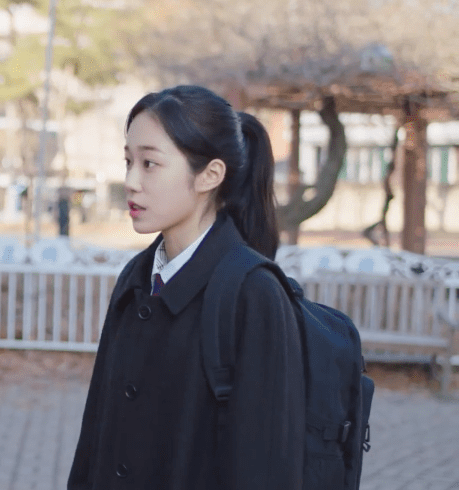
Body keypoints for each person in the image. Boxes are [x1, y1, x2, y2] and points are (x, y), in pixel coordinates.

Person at [68, 85, 305, 489]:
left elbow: (266, 466)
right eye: (128, 161)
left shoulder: (254, 293)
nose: (131, 182)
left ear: (210, 175)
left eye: (150, 164)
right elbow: (97, 429)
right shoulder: (136, 278)